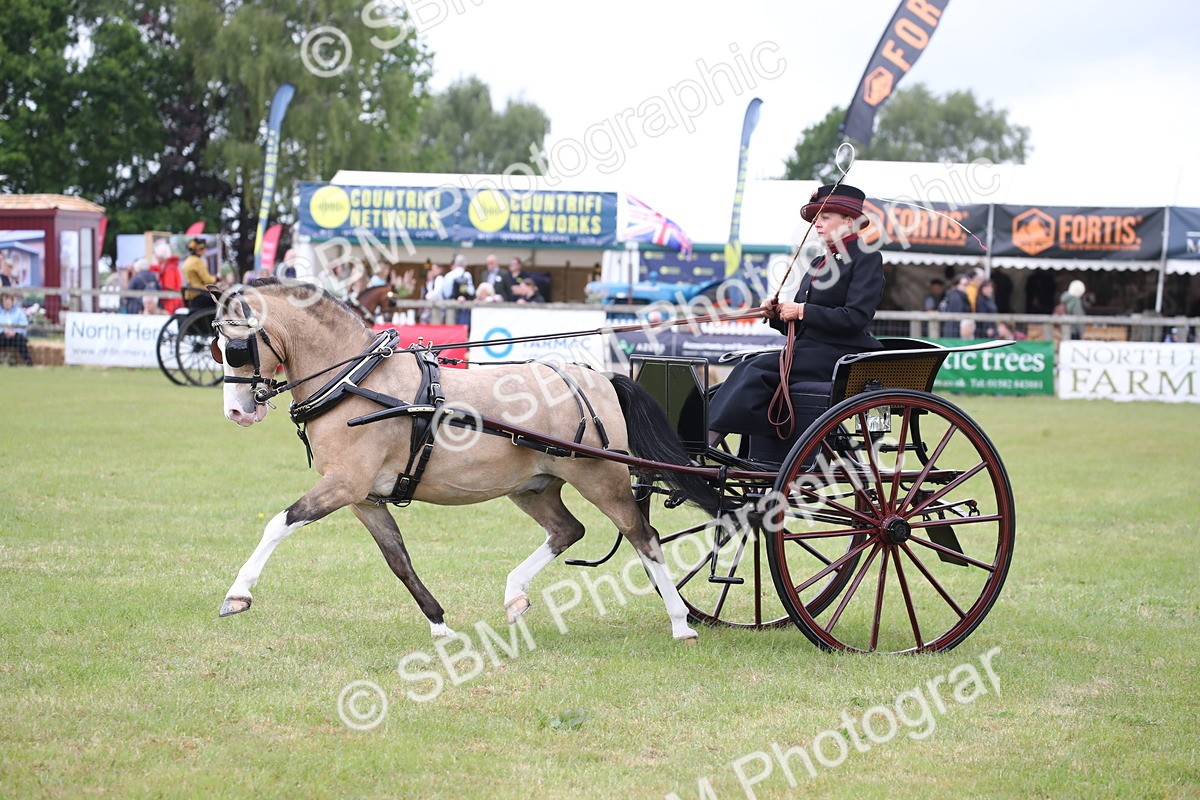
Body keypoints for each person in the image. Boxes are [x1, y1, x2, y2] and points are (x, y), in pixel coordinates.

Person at [708, 183, 884, 441]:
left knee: (756, 370)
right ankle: (711, 441)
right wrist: (777, 315)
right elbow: (801, 323)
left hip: (843, 354)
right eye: (816, 219)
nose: (817, 224)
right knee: (747, 366)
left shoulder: (866, 258)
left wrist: (801, 310)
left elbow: (855, 318)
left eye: (825, 217)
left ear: (849, 221)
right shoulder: (818, 263)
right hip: (810, 350)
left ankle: (708, 444)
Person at [181, 237, 218, 311]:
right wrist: (216, 278)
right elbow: (208, 280)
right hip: (201, 294)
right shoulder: (197, 262)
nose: (205, 250)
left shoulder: (187, 261)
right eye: (203, 248)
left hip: (191, 294)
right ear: (198, 250)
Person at [0, 290, 34, 365]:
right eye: (4, 300)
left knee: (20, 340)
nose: (7, 302)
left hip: (15, 337)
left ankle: (28, 362)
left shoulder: (19, 312)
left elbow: (24, 325)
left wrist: (14, 332)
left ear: (12, 301)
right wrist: (3, 331)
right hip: (2, 336)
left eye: (8, 300)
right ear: (2, 302)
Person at [938, 273, 972, 338]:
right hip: (954, 332)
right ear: (957, 285)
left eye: (968, 285)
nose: (967, 287)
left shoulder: (957, 295)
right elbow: (954, 318)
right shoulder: (956, 297)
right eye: (965, 285)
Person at [154, 241, 183, 314]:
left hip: (171, 301)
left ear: (162, 256)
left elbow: (169, 286)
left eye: (157, 256)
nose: (156, 258)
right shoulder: (169, 266)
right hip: (172, 299)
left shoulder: (169, 268)